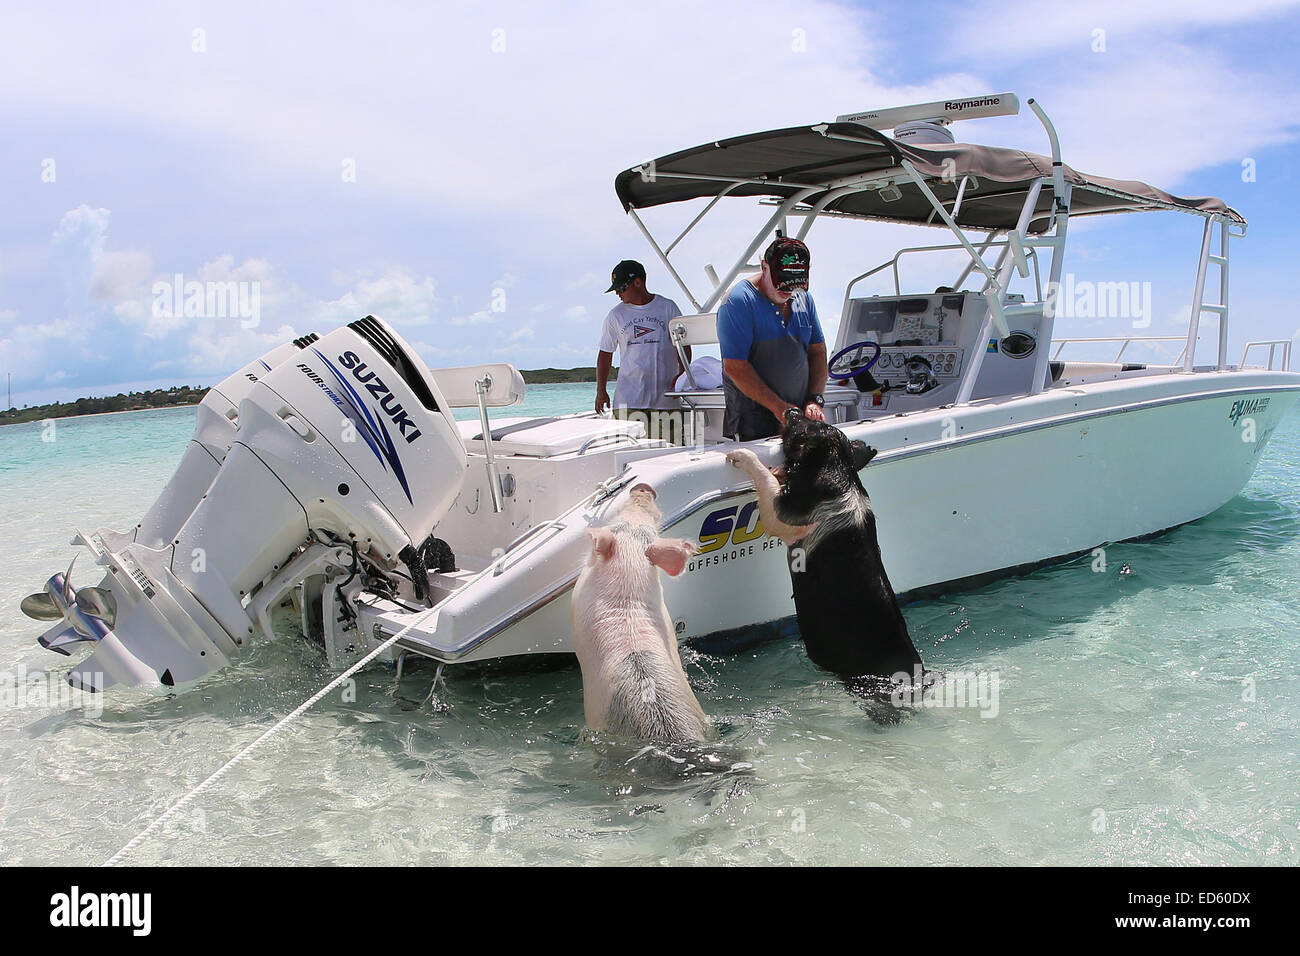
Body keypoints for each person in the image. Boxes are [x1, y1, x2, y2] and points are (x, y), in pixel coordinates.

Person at [717, 237, 827, 441]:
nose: (787, 293)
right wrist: (780, 408)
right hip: (753, 421)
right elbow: (734, 366)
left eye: (793, 286)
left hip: (797, 417)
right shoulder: (738, 301)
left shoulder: (805, 298)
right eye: (781, 285)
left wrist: (814, 399)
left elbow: (818, 352)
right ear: (764, 267)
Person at [595, 260, 688, 441]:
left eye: (621, 288)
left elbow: (683, 344)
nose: (617, 293)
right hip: (628, 402)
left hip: (665, 401)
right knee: (629, 456)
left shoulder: (667, 307)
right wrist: (601, 390)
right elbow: (605, 354)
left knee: (670, 454)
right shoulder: (615, 315)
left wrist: (683, 375)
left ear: (638, 282)